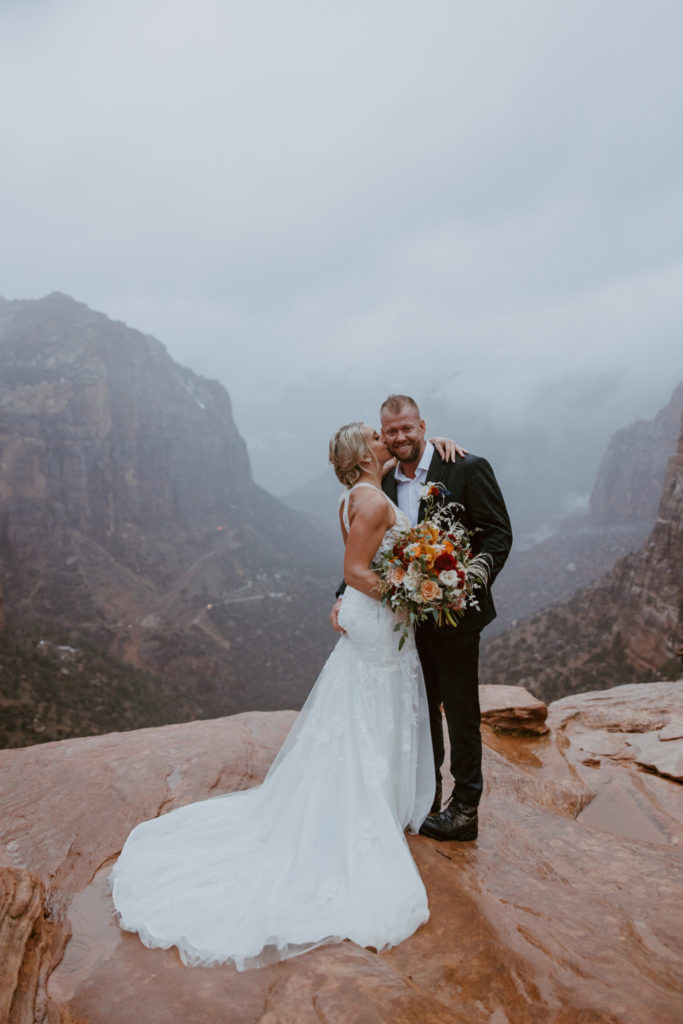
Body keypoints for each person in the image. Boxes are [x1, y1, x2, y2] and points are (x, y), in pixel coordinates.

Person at [109, 422, 436, 970]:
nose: (386, 441)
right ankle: (369, 809)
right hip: (380, 618)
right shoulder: (375, 502)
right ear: (362, 455)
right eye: (376, 439)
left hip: (371, 621)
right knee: (371, 704)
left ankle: (378, 800)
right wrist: (408, 594)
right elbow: (355, 571)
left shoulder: (351, 497)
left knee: (359, 707)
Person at [331, 396, 512, 842]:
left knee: (461, 711)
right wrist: (344, 594)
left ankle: (465, 808)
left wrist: (466, 582)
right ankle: (426, 796)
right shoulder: (384, 480)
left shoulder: (465, 468)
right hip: (404, 621)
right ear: (382, 436)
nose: (398, 438)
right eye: (388, 432)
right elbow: (369, 548)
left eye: (407, 429)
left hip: (454, 615)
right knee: (419, 711)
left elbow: (498, 533)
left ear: (423, 427)